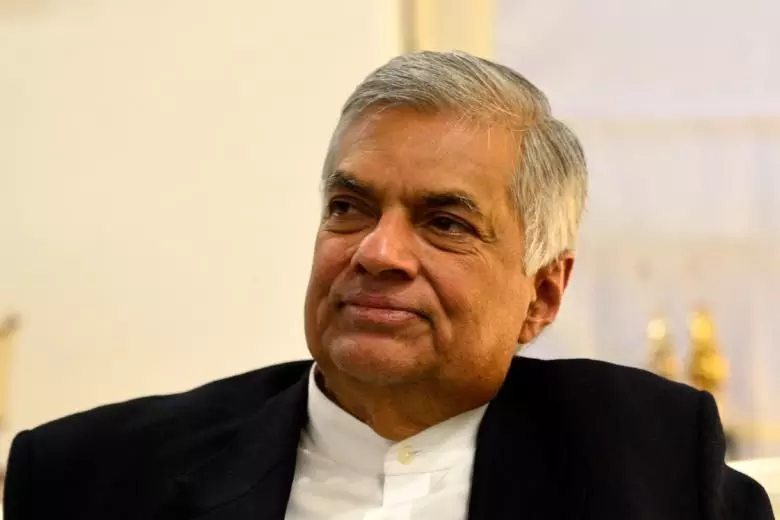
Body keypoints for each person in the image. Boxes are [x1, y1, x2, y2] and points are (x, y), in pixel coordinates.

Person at [3, 51, 774, 520]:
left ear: (540, 296)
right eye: (350, 208)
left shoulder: (652, 469)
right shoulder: (85, 479)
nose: (377, 252)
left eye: (445, 222)